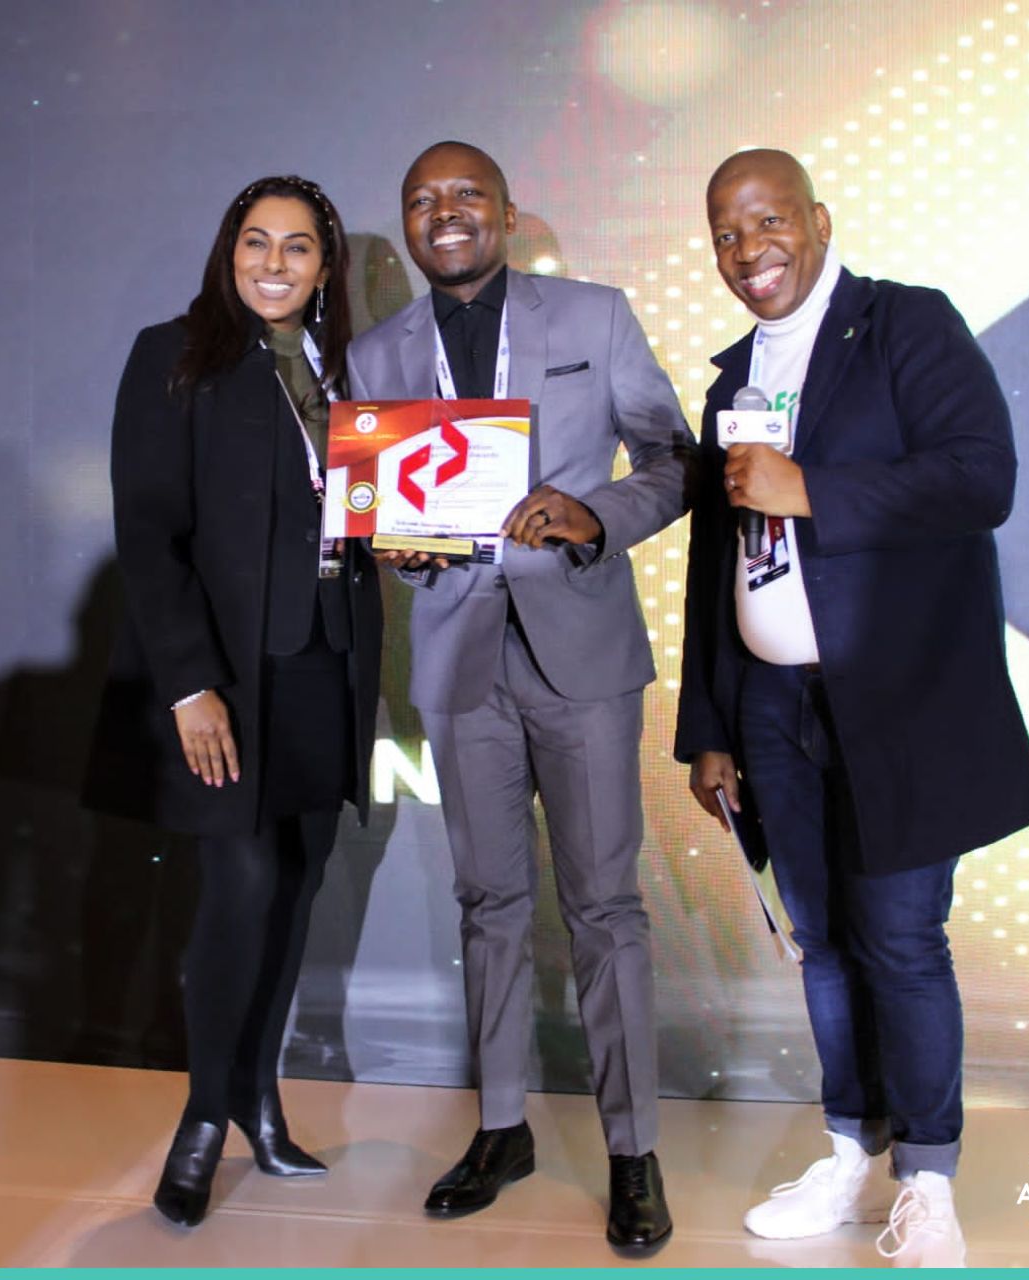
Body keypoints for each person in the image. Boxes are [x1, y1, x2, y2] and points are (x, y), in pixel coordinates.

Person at [675, 149, 1029, 1268]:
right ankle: (850, 1147)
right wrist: (709, 724)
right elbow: (714, 565)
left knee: (900, 938)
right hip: (770, 703)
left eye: (769, 221)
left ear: (820, 220)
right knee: (823, 942)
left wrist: (812, 490)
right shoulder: (733, 379)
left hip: (896, 697)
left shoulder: (905, 324)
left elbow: (982, 476)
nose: (750, 249)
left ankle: (926, 1177)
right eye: (728, 233)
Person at [347, 141, 690, 1250]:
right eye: (422, 200)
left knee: (604, 907)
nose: (444, 213)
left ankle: (633, 1149)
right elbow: (382, 509)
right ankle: (503, 1127)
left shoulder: (595, 316)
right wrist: (398, 549)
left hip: (580, 650)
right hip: (459, 662)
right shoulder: (376, 353)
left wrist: (599, 518)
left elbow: (674, 462)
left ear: (503, 210)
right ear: (408, 223)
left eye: (465, 195)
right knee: (487, 903)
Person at [83, 175, 382, 1227]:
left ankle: (258, 1095)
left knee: (295, 886)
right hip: (230, 676)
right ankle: (203, 1118)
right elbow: (147, 533)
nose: (274, 264)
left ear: (325, 265)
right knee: (242, 885)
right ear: (228, 252)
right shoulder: (175, 356)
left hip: (326, 665)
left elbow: (361, 515)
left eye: (297, 247)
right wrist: (189, 683)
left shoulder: (351, 372)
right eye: (256, 242)